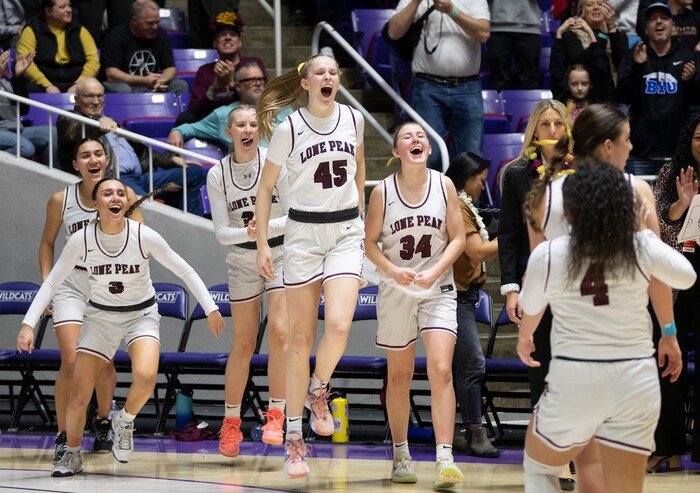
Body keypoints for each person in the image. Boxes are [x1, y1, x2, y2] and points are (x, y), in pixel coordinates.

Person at [17, 176, 226, 477]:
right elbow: (53, 282)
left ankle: (125, 420)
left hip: (140, 315)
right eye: (107, 193)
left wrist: (211, 308)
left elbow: (184, 269)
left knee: (145, 375)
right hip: (100, 318)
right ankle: (72, 454)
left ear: (126, 202)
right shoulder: (81, 239)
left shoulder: (143, 235)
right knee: (79, 391)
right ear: (96, 204)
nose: (115, 197)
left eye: (120, 193)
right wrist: (28, 323)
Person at [523, 102, 678, 492]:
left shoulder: (546, 195)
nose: (632, 146)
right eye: (627, 139)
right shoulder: (638, 191)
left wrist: (527, 331)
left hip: (572, 335)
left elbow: (537, 271)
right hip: (626, 341)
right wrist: (669, 331)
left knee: (576, 448)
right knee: (613, 465)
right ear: (608, 146)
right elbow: (659, 274)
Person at [254, 53, 365, 479]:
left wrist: (356, 210)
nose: (329, 77)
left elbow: (358, 166)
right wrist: (264, 243)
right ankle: (295, 441)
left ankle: (318, 389)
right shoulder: (289, 128)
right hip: (301, 237)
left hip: (343, 234)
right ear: (305, 83)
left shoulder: (353, 120)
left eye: (334, 72)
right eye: (320, 72)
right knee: (299, 341)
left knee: (337, 326)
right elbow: (265, 190)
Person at [364, 121, 466, 488]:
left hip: (438, 287)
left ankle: (444, 457)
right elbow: (369, 243)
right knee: (400, 376)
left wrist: (436, 269)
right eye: (408, 136)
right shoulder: (382, 192)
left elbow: (458, 238)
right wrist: (393, 270)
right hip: (396, 291)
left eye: (421, 135)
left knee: (441, 369)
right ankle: (401, 453)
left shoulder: (444, 184)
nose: (417, 139)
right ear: (396, 152)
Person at [39, 137, 143, 463]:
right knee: (71, 360)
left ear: (106, 161)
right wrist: (48, 285)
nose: (93, 159)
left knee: (104, 362)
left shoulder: (123, 197)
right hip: (72, 285)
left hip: (106, 286)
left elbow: (141, 241)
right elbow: (46, 244)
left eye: (98, 153)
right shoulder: (61, 199)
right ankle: (62, 434)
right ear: (76, 164)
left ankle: (101, 421)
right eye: (85, 155)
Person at [497, 99, 575, 489]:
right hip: (538, 280)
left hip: (579, 283)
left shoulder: (582, 169)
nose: (551, 130)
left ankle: (572, 451)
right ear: (533, 129)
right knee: (541, 369)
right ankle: (551, 456)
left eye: (557, 123)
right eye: (544, 123)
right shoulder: (516, 174)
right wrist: (511, 289)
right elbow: (509, 235)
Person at [207, 105, 289, 458]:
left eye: (254, 124)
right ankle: (231, 424)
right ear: (229, 132)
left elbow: (292, 216)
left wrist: (263, 232)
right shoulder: (217, 174)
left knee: (281, 333)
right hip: (242, 258)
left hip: (281, 253)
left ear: (262, 130)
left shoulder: (276, 162)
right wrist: (248, 233)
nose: (247, 129)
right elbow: (222, 233)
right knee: (243, 343)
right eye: (240, 124)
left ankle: (276, 416)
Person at [57, 77, 207, 216]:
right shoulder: (68, 119)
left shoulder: (110, 121)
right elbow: (72, 134)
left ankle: (194, 229)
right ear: (77, 99)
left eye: (100, 96)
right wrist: (99, 125)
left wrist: (173, 159)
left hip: (140, 177)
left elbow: (142, 152)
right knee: (149, 209)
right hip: (115, 180)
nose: (96, 101)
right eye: (90, 96)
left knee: (194, 173)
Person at [385, 0, 490, 170]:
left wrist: (451, 10)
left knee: (471, 160)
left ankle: (466, 198)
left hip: (467, 87)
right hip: (428, 87)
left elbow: (483, 33)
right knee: (428, 156)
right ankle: (429, 197)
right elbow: (393, 31)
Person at [651, 111, 700, 470]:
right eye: (698, 137)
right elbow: (658, 230)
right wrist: (681, 204)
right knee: (669, 359)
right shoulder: (672, 173)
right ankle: (665, 446)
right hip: (678, 271)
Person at [444, 152, 500, 459]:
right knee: (473, 363)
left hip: (464, 295)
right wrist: (514, 235)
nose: (483, 186)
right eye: (480, 180)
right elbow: (477, 252)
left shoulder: (464, 204)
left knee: (458, 367)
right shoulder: (459, 205)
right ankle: (475, 430)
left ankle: (455, 432)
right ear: (467, 179)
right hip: (454, 296)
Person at [617, 1, 700, 175]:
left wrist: (690, 81)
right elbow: (623, 97)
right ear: (646, 28)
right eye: (653, 19)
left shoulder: (688, 56)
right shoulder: (633, 56)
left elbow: (696, 101)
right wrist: (638, 68)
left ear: (673, 26)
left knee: (681, 202)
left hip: (678, 154)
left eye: (664, 17)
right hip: (641, 154)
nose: (659, 22)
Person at [167, 60, 290, 149]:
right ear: (237, 86)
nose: (258, 83)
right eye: (251, 80)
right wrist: (176, 132)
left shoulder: (283, 108)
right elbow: (191, 128)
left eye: (261, 79)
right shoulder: (223, 115)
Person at [178, 11, 267, 124]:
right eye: (222, 34)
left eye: (233, 34)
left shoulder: (253, 64)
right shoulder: (205, 71)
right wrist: (214, 89)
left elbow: (261, 99)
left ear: (240, 43)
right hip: (213, 121)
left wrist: (231, 84)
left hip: (246, 117)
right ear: (215, 43)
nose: (228, 38)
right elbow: (194, 111)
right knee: (185, 117)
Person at [100, 0, 188, 95]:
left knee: (180, 84)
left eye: (157, 22)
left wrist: (161, 80)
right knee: (123, 90)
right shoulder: (116, 36)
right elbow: (112, 75)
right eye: (149, 23)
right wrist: (143, 80)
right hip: (124, 85)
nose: (154, 27)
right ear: (135, 21)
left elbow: (170, 68)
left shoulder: (161, 34)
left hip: (150, 85)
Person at [16, 0, 99, 93]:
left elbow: (93, 61)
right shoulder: (32, 30)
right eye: (62, 7)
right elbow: (26, 63)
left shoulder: (80, 30)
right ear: (48, 11)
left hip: (76, 82)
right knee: (28, 89)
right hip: (43, 83)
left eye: (69, 6)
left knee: (99, 89)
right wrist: (47, 86)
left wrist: (79, 84)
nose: (69, 10)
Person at [0, 49, 58, 165]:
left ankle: (54, 178)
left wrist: (18, 77)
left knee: (52, 132)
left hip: (15, 129)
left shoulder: (6, 82)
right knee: (25, 148)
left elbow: (23, 110)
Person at [486, 0, 541, 92]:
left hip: (529, 26)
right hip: (497, 25)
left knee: (530, 82)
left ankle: (531, 106)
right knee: (498, 82)